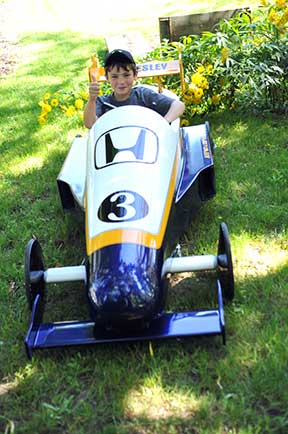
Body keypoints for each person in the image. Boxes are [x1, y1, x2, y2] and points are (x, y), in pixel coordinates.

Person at [84, 49, 185, 129]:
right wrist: (92, 99)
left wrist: (163, 124)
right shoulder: (102, 102)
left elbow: (178, 106)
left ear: (135, 75)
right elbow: (90, 124)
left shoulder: (143, 95)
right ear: (107, 78)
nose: (121, 81)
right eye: (115, 76)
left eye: (126, 75)